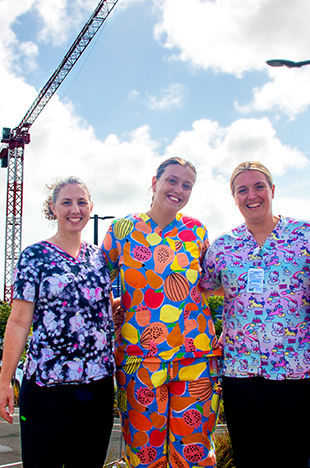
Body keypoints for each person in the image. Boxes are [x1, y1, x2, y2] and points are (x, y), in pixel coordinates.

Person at [200, 161, 310, 467]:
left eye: (258, 187)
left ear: (272, 191)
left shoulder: (307, 235)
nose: (251, 195)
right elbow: (203, 289)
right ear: (234, 196)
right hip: (241, 374)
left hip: (299, 372)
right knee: (250, 459)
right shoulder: (222, 247)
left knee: (293, 459)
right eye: (242, 189)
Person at [102, 157, 221, 468]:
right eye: (172, 180)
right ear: (154, 183)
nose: (178, 189)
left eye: (187, 185)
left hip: (195, 355)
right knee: (144, 454)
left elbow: (209, 283)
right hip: (138, 357)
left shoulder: (196, 231)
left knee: (194, 454)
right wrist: (113, 305)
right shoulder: (121, 229)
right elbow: (96, 281)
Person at [0, 176, 115, 468]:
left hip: (96, 388)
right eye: (66, 202)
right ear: (53, 208)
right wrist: (5, 380)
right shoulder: (34, 257)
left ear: (90, 207)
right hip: (48, 389)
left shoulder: (101, 259)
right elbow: (19, 322)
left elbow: (105, 312)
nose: (75, 209)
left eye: (81, 202)